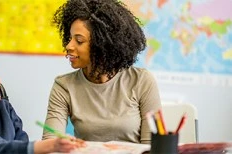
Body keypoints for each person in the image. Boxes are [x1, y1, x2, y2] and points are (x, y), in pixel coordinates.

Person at [42, 0, 161, 144]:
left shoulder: (142, 81)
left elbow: (153, 147)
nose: (69, 46)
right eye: (69, 38)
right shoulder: (64, 86)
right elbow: (49, 144)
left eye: (79, 41)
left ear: (102, 45)